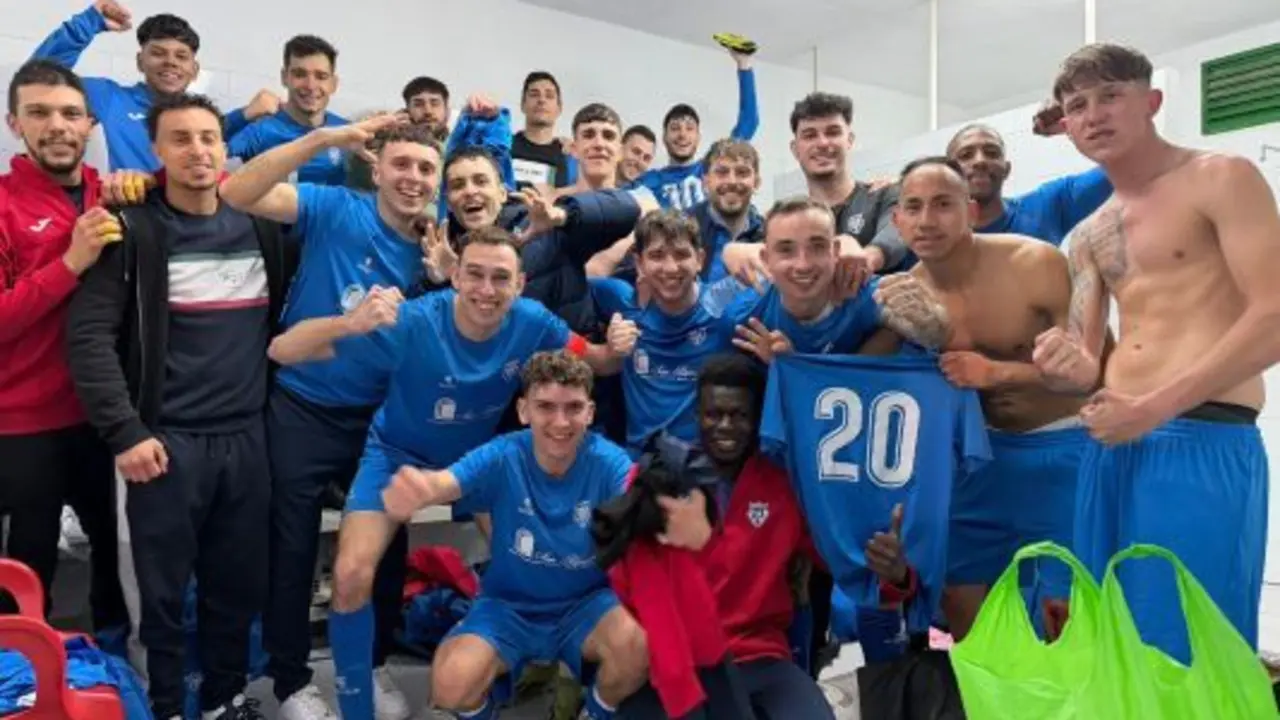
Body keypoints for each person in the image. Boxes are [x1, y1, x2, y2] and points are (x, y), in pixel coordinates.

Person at [266, 226, 622, 720]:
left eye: (500, 278)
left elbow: (598, 360)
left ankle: (517, 676)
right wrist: (351, 323)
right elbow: (284, 349)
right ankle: (358, 706)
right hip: (395, 455)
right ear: (453, 274)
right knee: (349, 574)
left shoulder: (533, 321)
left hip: (472, 462)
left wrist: (620, 346)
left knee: (530, 565)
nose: (485, 289)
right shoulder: (413, 321)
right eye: (474, 274)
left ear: (519, 285)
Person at [1032, 42, 1280, 664]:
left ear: (1152, 101)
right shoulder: (1089, 234)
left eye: (1110, 95)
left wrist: (1152, 408)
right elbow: (1086, 363)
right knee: (1109, 643)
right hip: (1111, 446)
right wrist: (1062, 363)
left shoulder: (1220, 177)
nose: (1093, 115)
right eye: (1077, 106)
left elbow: (1274, 316)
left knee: (1190, 650)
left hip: (1200, 437)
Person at [65, 93, 293, 720]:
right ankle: (163, 706)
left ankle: (223, 700)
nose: (198, 150)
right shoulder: (133, 230)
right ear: (157, 150)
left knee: (234, 589)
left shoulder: (263, 228)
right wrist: (125, 432)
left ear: (226, 149)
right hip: (162, 446)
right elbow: (87, 339)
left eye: (208, 138)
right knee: (158, 602)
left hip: (246, 441)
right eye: (181, 138)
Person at [217, 113, 441, 720]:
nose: (413, 178)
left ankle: (370, 665)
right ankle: (291, 679)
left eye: (426, 168)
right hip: (303, 405)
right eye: (402, 164)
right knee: (291, 548)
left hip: (378, 419)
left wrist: (440, 276)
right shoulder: (337, 206)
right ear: (377, 166)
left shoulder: (434, 247)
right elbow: (236, 192)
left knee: (384, 549)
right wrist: (322, 139)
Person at [887, 156, 1092, 641]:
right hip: (976, 461)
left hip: (1060, 448)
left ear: (972, 211)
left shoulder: (1035, 263)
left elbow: (1095, 372)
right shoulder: (903, 293)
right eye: (912, 207)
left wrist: (995, 371)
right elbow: (860, 369)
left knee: (1060, 610)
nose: (926, 220)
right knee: (962, 599)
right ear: (896, 221)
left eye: (942, 204)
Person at [381, 351, 648, 720]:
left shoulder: (608, 460)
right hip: (509, 607)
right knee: (451, 681)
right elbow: (447, 482)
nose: (560, 421)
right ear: (524, 411)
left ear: (590, 412)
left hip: (586, 605)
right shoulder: (503, 454)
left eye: (573, 408)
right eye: (546, 407)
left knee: (637, 648)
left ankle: (594, 713)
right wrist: (418, 487)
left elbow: (638, 492)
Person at [617, 354, 837, 719]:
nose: (725, 426)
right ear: (696, 415)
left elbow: (834, 558)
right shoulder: (656, 481)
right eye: (713, 414)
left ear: (757, 420)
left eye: (739, 416)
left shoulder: (785, 486)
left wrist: (892, 571)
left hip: (761, 656)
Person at [0, 58, 134, 633]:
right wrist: (71, 262)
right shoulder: (3, 204)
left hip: (111, 417)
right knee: (29, 561)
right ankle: (22, 676)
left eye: (70, 114)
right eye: (39, 113)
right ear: (15, 124)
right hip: (26, 423)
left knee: (115, 552)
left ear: (90, 125)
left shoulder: (119, 195)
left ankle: (113, 668)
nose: (57, 125)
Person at [30, 1, 200, 171]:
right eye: (158, 53)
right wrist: (87, 23)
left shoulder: (208, 121)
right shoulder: (108, 97)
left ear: (194, 70)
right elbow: (38, 81)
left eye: (181, 56)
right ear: (140, 62)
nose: (170, 62)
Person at [590, 139, 764, 286]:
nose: (732, 181)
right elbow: (626, 279)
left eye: (742, 173)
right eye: (722, 172)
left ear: (756, 182)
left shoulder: (769, 236)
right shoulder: (675, 228)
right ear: (705, 181)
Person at [788, 92, 910, 274]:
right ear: (795, 149)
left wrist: (866, 258)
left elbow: (899, 230)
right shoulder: (789, 219)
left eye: (833, 132)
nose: (822, 143)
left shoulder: (884, 195)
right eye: (810, 135)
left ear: (850, 141)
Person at [630, 46, 758, 212]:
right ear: (664, 137)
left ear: (698, 137)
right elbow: (610, 197)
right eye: (675, 128)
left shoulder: (713, 167)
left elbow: (749, 122)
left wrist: (744, 64)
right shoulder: (650, 180)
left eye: (689, 128)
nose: (682, 135)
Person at [946, 122, 1112, 246]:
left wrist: (1076, 121)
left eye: (992, 153)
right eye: (966, 155)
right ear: (947, 173)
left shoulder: (1046, 207)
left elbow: (1124, 167)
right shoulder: (931, 234)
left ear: (1006, 169)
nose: (980, 161)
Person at [225, 35, 349, 187]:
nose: (310, 85)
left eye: (321, 76)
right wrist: (242, 115)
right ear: (285, 78)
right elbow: (204, 149)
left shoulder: (347, 131)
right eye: (300, 74)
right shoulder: (261, 130)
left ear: (333, 84)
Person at [347, 76, 450, 192]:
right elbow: (361, 182)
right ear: (407, 111)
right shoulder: (388, 143)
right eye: (418, 104)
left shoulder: (459, 145)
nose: (428, 111)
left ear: (447, 111)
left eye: (435, 103)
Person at [512, 71, 574, 190]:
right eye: (534, 95)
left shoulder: (569, 157)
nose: (541, 100)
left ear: (559, 108)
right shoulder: (504, 148)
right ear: (522, 104)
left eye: (549, 96)